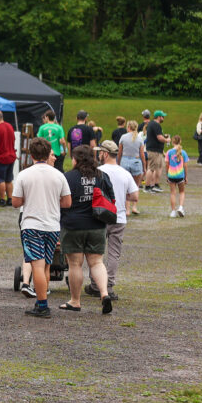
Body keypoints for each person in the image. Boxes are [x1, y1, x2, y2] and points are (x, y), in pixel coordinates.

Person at [11, 138, 71, 317]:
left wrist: (28, 198)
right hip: (52, 225)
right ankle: (40, 300)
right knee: (46, 265)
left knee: (36, 265)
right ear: (48, 153)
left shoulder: (24, 175)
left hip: (32, 225)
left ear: (31, 155)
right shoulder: (59, 175)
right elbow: (67, 202)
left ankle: (43, 305)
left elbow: (16, 202)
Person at [59, 145, 115, 314]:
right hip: (97, 225)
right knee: (97, 262)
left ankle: (75, 301)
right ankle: (104, 294)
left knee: (75, 264)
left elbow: (60, 201)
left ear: (76, 160)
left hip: (73, 225)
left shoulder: (68, 177)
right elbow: (112, 199)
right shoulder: (102, 176)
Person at [88, 141, 139, 301]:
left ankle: (95, 284)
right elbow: (135, 196)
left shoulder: (97, 172)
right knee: (114, 254)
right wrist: (122, 196)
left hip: (99, 216)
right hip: (118, 217)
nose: (98, 155)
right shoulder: (125, 173)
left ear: (104, 154)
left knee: (96, 253)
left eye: (100, 152)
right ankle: (108, 286)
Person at [117, 121, 145, 215]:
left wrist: (118, 163)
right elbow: (142, 154)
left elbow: (119, 153)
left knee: (125, 187)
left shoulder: (123, 137)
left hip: (124, 162)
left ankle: (127, 209)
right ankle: (134, 207)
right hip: (136, 162)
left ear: (128, 127)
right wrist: (144, 166)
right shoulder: (140, 138)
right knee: (136, 186)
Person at [142, 110, 168, 193]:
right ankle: (147, 187)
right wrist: (167, 140)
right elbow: (159, 137)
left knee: (158, 167)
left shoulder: (153, 124)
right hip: (154, 150)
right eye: (162, 116)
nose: (163, 118)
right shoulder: (156, 125)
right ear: (159, 117)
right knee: (151, 168)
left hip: (157, 150)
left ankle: (155, 185)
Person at [166, 136, 189, 218]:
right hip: (180, 176)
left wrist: (167, 175)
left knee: (173, 193)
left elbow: (167, 165)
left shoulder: (169, 152)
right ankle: (181, 207)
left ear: (172, 142)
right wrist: (186, 176)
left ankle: (173, 211)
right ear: (180, 141)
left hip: (171, 175)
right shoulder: (184, 153)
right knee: (182, 192)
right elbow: (185, 166)